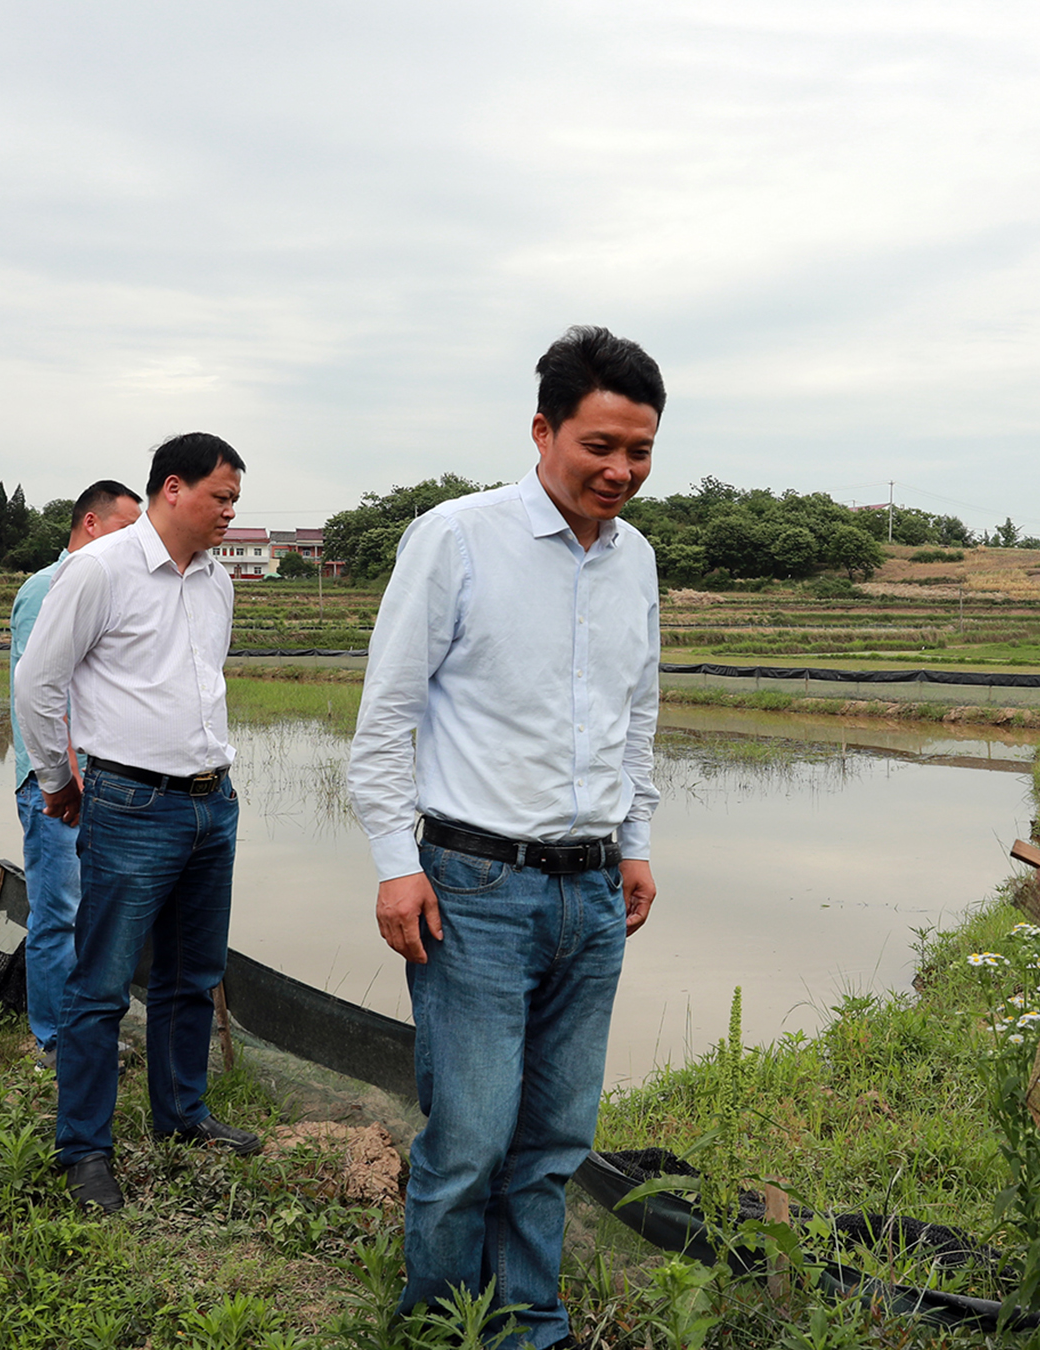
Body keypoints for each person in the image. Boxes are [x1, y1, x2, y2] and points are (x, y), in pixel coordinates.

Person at [347, 325, 664, 1349]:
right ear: (543, 430)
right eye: (600, 445)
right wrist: (398, 867)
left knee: (556, 1136)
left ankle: (529, 1320)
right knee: (472, 1138)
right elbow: (385, 715)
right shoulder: (455, 537)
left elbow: (638, 713)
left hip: (589, 890)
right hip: (473, 884)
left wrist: (635, 839)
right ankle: (441, 1323)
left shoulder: (636, 561)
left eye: (640, 451)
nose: (620, 470)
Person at [15, 433, 256, 1215]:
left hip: (210, 802)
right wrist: (58, 780)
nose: (229, 513)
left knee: (193, 974)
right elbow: (37, 683)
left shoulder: (218, 582)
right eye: (221, 497)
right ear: (174, 488)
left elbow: (200, 683)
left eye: (236, 501)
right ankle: (84, 1149)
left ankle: (182, 1114)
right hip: (131, 804)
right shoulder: (100, 570)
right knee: (101, 984)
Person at [9, 480, 144, 1064]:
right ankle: (54, 1039)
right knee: (58, 914)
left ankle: (85, 1032)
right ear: (91, 524)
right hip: (58, 784)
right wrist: (61, 777)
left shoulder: (110, 585)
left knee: (94, 915)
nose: (133, 544)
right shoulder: (49, 588)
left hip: (105, 782)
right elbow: (40, 691)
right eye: (123, 530)